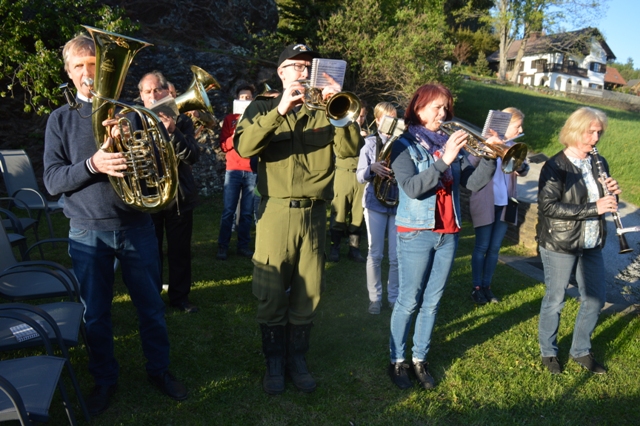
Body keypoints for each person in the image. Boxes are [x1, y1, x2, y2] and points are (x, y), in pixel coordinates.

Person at [43, 34, 187, 416]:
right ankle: (104, 379)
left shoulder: (132, 115)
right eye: (79, 66)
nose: (88, 73)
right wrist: (94, 163)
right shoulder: (59, 119)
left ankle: (159, 370)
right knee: (95, 314)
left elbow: (159, 168)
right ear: (69, 72)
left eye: (94, 64)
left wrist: (146, 147)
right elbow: (53, 181)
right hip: (87, 229)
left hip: (136, 226)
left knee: (151, 307)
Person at [234, 44, 362, 395]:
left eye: (309, 66)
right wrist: (279, 110)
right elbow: (244, 148)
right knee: (271, 291)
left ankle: (297, 359)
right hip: (276, 211)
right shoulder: (262, 106)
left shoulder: (327, 111)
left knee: (309, 291)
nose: (304, 72)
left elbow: (350, 150)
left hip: (315, 214)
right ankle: (274, 362)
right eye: (297, 66)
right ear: (281, 72)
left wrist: (339, 113)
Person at [387, 83, 496, 390]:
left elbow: (472, 183)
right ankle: (397, 361)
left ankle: (419, 359)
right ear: (418, 108)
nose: (443, 113)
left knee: (432, 302)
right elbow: (412, 188)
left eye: (446, 107)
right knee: (409, 301)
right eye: (437, 107)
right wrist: (444, 160)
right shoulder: (403, 145)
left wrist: (490, 157)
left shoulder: (448, 143)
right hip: (416, 232)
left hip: (448, 233)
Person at [536, 107, 619, 375]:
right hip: (561, 242)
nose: (595, 138)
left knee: (595, 299)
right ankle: (548, 352)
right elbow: (549, 206)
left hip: (591, 241)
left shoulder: (599, 161)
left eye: (599, 132)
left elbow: (601, 198)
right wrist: (595, 207)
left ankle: (580, 350)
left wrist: (612, 195)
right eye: (590, 132)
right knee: (555, 299)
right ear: (574, 130)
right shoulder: (555, 165)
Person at [139, 71, 201, 313]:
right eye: (147, 91)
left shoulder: (183, 121)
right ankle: (151, 297)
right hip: (149, 197)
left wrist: (173, 130)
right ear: (141, 96)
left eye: (157, 90)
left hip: (178, 197)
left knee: (180, 252)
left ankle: (180, 298)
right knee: (150, 253)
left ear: (167, 92)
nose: (153, 95)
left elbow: (192, 156)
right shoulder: (135, 120)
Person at [469, 107, 529, 304]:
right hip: (485, 202)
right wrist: (488, 147)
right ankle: (477, 287)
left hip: (505, 203)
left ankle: (487, 285)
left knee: (494, 248)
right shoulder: (484, 142)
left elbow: (524, 170)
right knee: (481, 246)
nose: (521, 129)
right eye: (518, 125)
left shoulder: (514, 146)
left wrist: (520, 164)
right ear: (506, 125)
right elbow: (470, 164)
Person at [356, 102, 399, 314]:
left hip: (397, 203)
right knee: (375, 253)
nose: (392, 123)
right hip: (375, 202)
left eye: (395, 119)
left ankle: (394, 298)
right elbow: (359, 176)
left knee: (396, 256)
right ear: (378, 119)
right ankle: (375, 298)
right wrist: (372, 168)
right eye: (387, 119)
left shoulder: (401, 143)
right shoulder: (370, 143)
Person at [217, 84, 257, 260]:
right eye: (242, 97)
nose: (245, 100)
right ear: (237, 99)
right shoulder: (229, 119)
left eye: (248, 97)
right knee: (228, 211)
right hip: (233, 170)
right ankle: (222, 246)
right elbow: (224, 146)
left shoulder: (257, 118)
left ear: (253, 100)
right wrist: (235, 136)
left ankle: (243, 246)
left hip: (251, 170)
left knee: (247, 213)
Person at [328, 102, 366, 263]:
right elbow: (344, 150)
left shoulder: (357, 128)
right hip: (343, 172)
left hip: (359, 174)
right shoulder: (337, 126)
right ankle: (335, 247)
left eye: (362, 116)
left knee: (358, 214)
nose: (359, 118)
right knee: (339, 211)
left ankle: (354, 249)